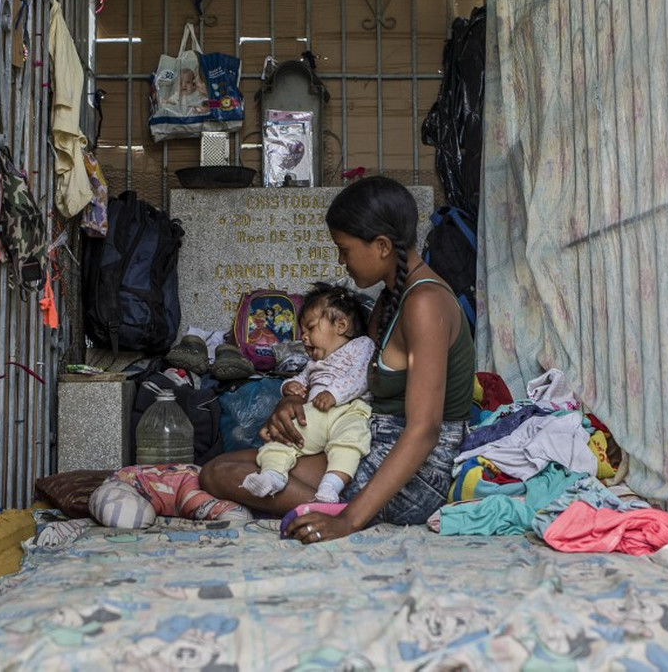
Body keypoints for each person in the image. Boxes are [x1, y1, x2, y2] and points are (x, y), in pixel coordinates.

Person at [199, 176, 476, 543]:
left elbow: (424, 431)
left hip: (417, 474)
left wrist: (349, 521)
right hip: (364, 437)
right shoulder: (390, 299)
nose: (341, 261)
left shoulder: (425, 304)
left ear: (380, 246)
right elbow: (347, 374)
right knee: (221, 468)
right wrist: (294, 399)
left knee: (223, 474)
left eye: (344, 250)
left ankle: (336, 508)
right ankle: (324, 499)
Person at [241, 282, 374, 504]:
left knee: (350, 443)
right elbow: (301, 379)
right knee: (280, 440)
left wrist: (334, 394)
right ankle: (273, 476)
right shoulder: (314, 363)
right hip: (315, 414)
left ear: (341, 325)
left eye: (311, 328)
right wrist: (289, 387)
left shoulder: (361, 346)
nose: (303, 337)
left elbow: (361, 376)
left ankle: (331, 486)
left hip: (348, 411)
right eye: (303, 332)